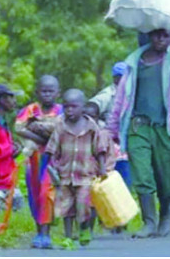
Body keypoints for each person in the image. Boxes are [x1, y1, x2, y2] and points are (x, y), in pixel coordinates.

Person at [106, 4, 170, 239]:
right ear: (149, 35)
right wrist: (111, 130)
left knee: (168, 176)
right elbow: (121, 99)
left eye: (165, 34)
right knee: (142, 173)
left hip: (165, 127)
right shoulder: (134, 63)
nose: (160, 38)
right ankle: (149, 221)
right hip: (139, 127)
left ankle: (165, 216)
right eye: (156, 34)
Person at [45, 89, 116, 249]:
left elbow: (100, 149)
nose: (69, 110)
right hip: (65, 174)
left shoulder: (91, 127)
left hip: (85, 175)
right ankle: (68, 236)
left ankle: (84, 228)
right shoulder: (60, 126)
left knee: (83, 204)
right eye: (66, 107)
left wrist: (103, 169)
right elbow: (52, 149)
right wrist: (50, 168)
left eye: (74, 106)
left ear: (82, 107)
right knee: (66, 207)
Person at [15, 75, 63, 249]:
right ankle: (38, 231)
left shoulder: (62, 111)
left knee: (47, 193)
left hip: (53, 159)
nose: (47, 94)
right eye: (44, 91)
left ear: (58, 92)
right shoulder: (31, 110)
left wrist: (38, 132)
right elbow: (19, 128)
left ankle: (45, 233)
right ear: (37, 92)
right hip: (33, 158)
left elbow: (63, 132)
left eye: (51, 91)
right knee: (35, 194)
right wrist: (41, 138)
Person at [90, 62, 131, 187]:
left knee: (127, 181)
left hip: (127, 141)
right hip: (112, 145)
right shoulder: (107, 94)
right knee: (114, 180)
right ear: (116, 78)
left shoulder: (131, 92)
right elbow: (91, 109)